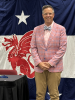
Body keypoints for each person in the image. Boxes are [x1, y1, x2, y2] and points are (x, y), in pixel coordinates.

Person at [31, 5, 67, 100]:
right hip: (39, 67)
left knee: (54, 95)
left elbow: (62, 48)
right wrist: (39, 62)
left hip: (55, 67)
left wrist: (50, 63)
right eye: (46, 14)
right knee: (39, 95)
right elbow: (33, 47)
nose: (48, 15)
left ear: (53, 15)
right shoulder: (36, 29)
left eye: (50, 13)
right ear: (42, 15)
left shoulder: (61, 29)